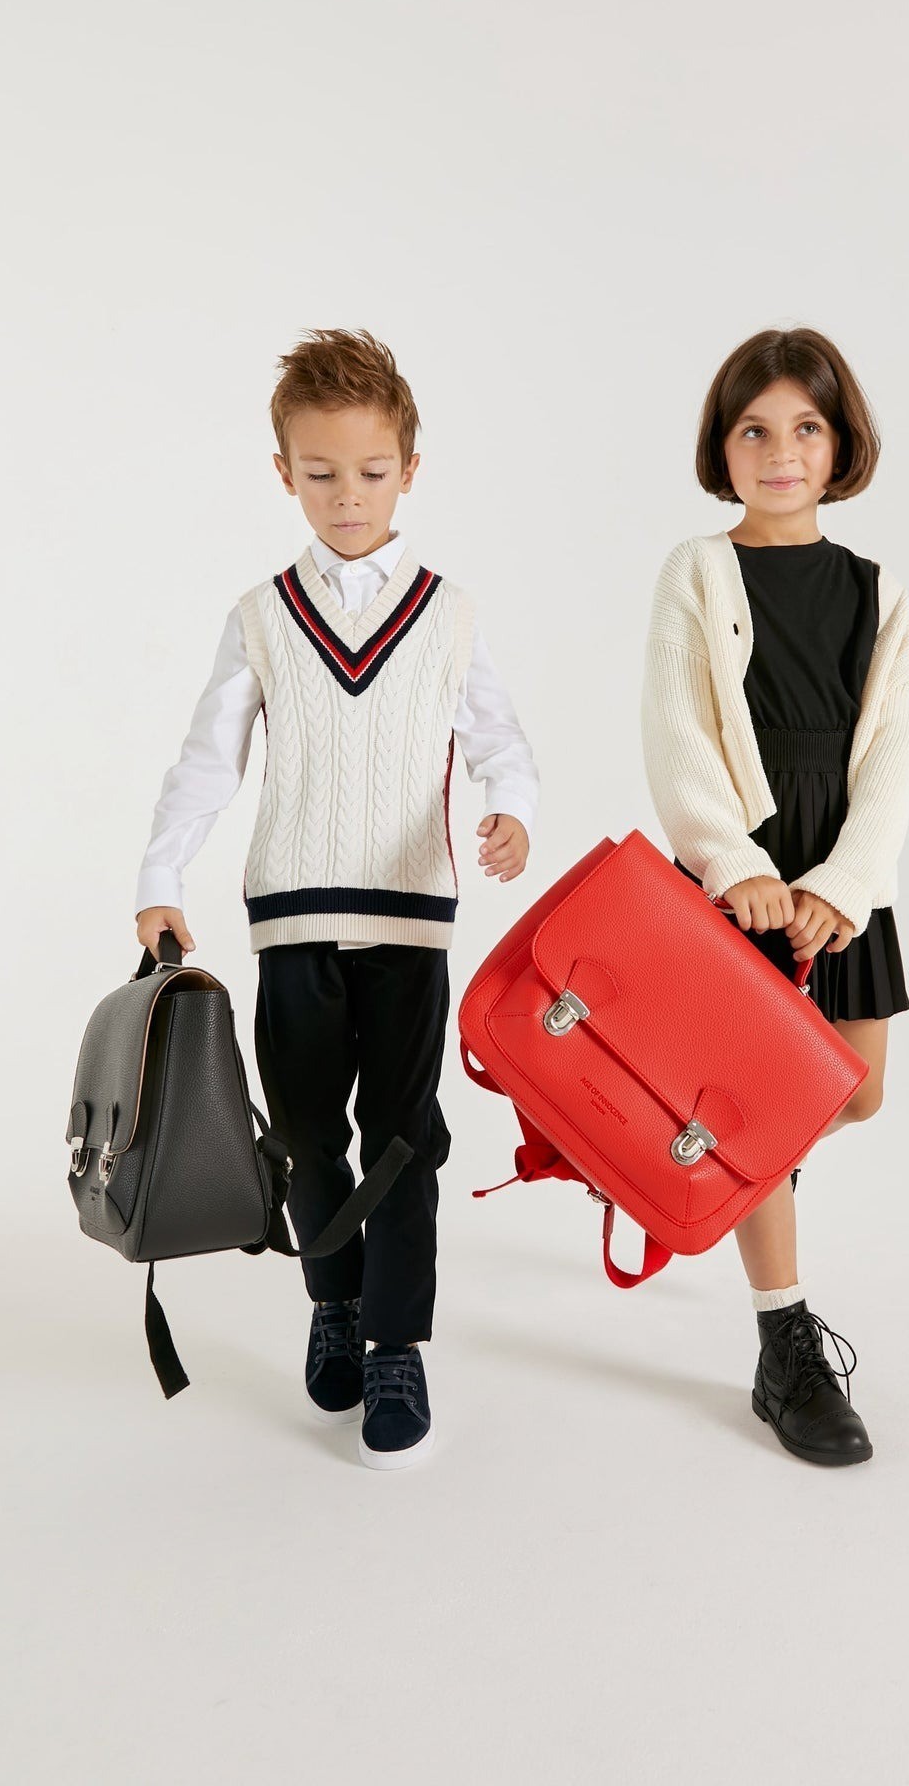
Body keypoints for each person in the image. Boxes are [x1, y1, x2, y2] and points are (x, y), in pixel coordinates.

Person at [134, 327, 539, 1468]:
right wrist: (160, 877)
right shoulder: (262, 616)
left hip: (409, 920)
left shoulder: (449, 613)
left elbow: (502, 740)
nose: (347, 495)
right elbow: (207, 761)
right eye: (320, 473)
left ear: (409, 469)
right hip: (295, 922)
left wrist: (512, 809)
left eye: (369, 471)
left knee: (404, 1139)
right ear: (284, 474)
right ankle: (335, 1302)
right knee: (308, 1134)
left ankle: (396, 1341)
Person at [641, 326, 909, 1466]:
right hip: (746, 876)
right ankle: (783, 1341)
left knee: (854, 1090)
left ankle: (745, 1166)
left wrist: (842, 886)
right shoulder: (698, 571)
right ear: (723, 448)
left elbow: (894, 750)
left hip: (841, 869)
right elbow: (677, 732)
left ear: (839, 444)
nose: (780, 452)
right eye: (753, 431)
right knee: (763, 1111)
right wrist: (739, 867)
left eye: (805, 428)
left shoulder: (877, 590)